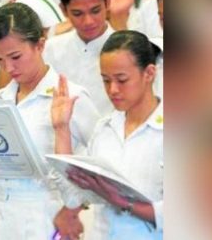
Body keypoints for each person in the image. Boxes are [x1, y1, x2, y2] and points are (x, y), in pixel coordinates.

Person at [0, 3, 101, 240]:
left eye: (15, 57)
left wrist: (73, 210)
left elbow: (99, 165)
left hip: (44, 214)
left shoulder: (70, 97)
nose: (8, 68)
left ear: (40, 45)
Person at [52, 30, 163, 240]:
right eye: (105, 80)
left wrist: (123, 203)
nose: (112, 90)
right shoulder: (104, 129)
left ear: (149, 73)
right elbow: (73, 197)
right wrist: (61, 128)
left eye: (122, 80)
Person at [44, 0, 133, 116]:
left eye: (95, 11)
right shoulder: (51, 49)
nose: (88, 21)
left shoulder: (128, 50)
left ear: (107, 2)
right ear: (64, 10)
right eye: (78, 13)